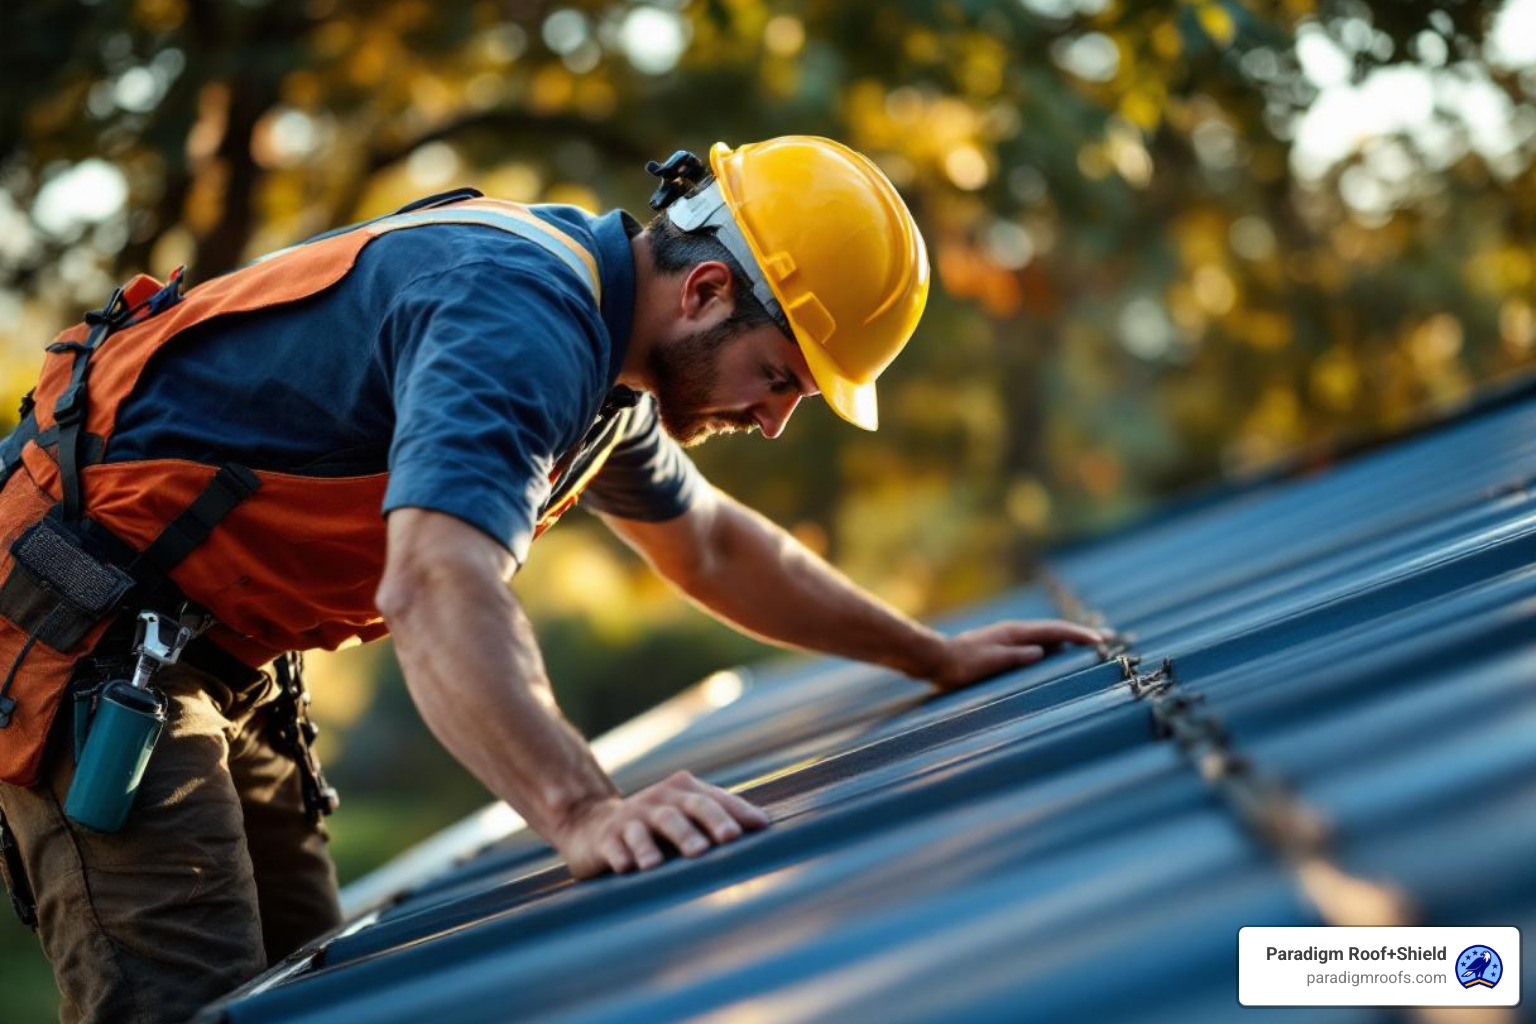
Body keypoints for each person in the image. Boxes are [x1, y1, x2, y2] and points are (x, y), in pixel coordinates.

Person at [0, 136, 1103, 1023]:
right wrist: (582, 808)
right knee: (192, 997)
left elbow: (712, 545)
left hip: (217, 641)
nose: (771, 421)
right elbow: (434, 584)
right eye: (779, 380)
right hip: (84, 624)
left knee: (312, 975)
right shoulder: (521, 320)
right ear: (708, 289)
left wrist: (931, 654)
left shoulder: (613, 368)